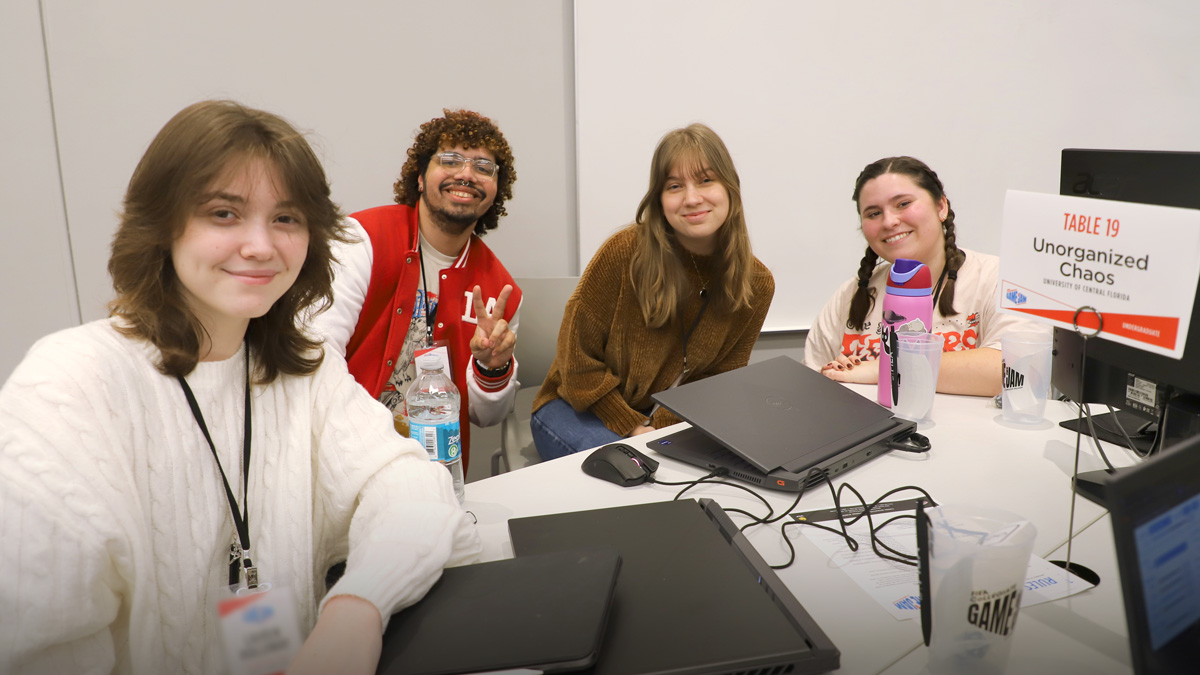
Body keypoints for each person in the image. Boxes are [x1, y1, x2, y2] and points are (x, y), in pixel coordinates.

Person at [0, 100, 480, 674]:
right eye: (224, 214)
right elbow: (37, 642)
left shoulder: (301, 369)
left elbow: (413, 486)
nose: (260, 246)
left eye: (286, 218)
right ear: (161, 227)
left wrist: (358, 607)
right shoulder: (69, 385)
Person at [531, 123, 775, 460]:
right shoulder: (624, 251)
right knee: (632, 478)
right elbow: (576, 363)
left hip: (662, 421)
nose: (692, 198)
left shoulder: (756, 283)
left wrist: (657, 427)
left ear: (730, 187)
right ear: (659, 200)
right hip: (575, 405)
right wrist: (633, 427)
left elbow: (719, 383)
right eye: (675, 186)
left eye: (706, 180)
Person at [312, 109, 521, 473]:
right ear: (420, 177)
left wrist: (493, 366)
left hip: (435, 470)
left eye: (483, 167)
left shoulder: (499, 291)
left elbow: (485, 416)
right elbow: (317, 350)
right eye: (450, 159)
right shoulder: (361, 239)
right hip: (341, 450)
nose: (466, 173)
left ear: (494, 193)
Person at [803, 155, 1046, 396]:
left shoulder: (1003, 280)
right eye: (874, 213)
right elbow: (812, 389)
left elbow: (1019, 372)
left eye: (903, 204)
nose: (889, 221)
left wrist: (884, 369)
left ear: (941, 206)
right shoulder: (850, 295)